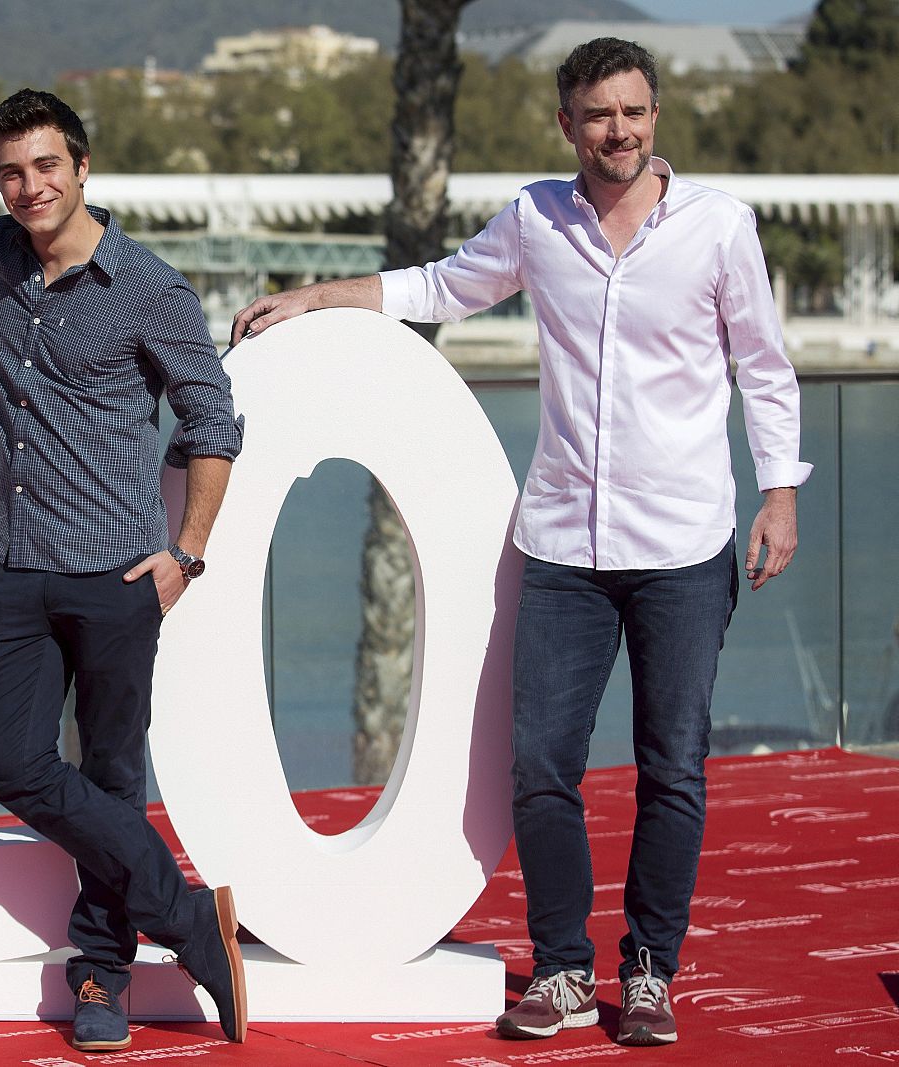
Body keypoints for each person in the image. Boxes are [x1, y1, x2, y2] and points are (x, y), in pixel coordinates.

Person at [231, 37, 811, 1048]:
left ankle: (646, 970)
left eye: (632, 111)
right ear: (566, 124)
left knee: (672, 764)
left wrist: (780, 492)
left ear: (654, 115)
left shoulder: (718, 227)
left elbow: (762, 368)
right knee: (540, 762)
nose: (617, 130)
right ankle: (560, 969)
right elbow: (442, 285)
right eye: (597, 115)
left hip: (683, 545)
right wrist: (320, 297)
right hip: (562, 550)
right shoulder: (537, 220)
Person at [0, 89, 247, 1051]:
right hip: (15, 572)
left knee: (113, 777)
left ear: (82, 168)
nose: (29, 186)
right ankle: (196, 921)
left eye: (46, 166)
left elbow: (213, 423)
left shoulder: (150, 288)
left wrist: (188, 554)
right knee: (15, 766)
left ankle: (101, 976)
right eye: (10, 172)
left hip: (119, 579)